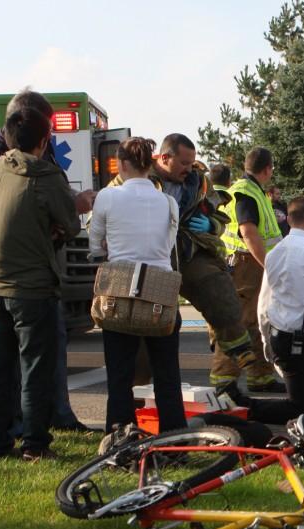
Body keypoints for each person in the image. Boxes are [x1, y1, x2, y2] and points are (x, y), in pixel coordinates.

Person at [0, 90, 95, 432]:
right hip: (27, 271)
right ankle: (33, 438)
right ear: (41, 137)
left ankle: (0, 437)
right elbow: (63, 221)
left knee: (2, 360)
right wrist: (64, 212)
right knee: (35, 360)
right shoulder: (38, 172)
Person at [107, 134, 258, 387]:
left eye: (192, 162)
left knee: (218, 288)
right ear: (164, 158)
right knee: (147, 323)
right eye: (184, 163)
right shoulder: (135, 176)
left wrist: (211, 225)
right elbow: (102, 215)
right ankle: (138, 388)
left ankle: (240, 349)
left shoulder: (199, 182)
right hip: (150, 258)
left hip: (188, 250)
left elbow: (219, 217)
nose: (189, 169)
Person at [221, 197, 304, 427]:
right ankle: (242, 406)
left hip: (284, 336)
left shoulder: (274, 253)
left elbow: (264, 301)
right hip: (298, 344)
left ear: (289, 220)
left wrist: (267, 343)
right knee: (303, 409)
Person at [89, 138, 187, 434]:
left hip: (120, 291)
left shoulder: (107, 196)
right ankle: (175, 439)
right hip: (161, 292)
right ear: (150, 165)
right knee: (167, 372)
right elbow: (167, 247)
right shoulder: (169, 202)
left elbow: (95, 245)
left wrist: (108, 247)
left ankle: (120, 435)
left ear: (121, 164)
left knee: (120, 373)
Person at [210, 147, 284, 393]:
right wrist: (269, 264)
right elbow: (249, 232)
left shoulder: (253, 191)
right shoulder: (246, 192)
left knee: (257, 320)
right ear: (268, 169)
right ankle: (224, 379)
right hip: (246, 264)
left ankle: (260, 376)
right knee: (239, 321)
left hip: (249, 263)